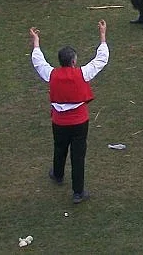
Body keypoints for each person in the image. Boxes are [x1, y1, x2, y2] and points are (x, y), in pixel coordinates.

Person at [29, 19, 109, 205]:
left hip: (59, 122)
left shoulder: (52, 74)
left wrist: (36, 41)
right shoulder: (82, 73)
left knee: (59, 147)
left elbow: (38, 61)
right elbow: (101, 60)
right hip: (80, 122)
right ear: (73, 61)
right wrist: (102, 36)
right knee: (78, 156)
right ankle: (78, 192)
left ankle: (57, 175)